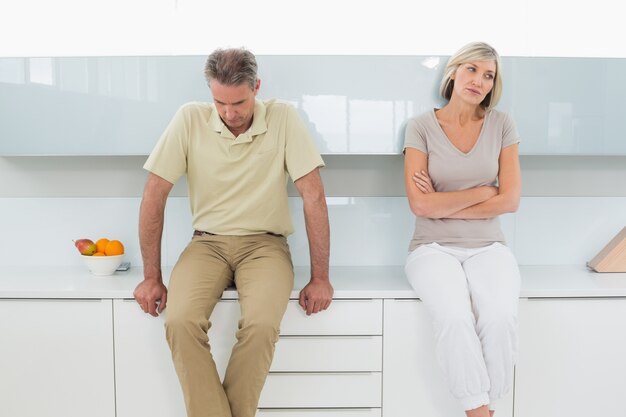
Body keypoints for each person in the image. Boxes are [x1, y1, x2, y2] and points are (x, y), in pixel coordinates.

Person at [133, 48, 333, 417]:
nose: (229, 113)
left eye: (239, 102)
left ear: (256, 87)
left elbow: (314, 196)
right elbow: (153, 194)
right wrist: (151, 276)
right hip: (206, 243)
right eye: (219, 102)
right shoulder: (189, 119)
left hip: (265, 246)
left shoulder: (284, 118)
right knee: (179, 322)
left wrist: (320, 277)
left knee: (260, 326)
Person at [403, 42, 521, 417]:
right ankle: (479, 411)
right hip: (431, 247)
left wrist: (447, 204)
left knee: (500, 318)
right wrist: (484, 191)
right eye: (471, 70)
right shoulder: (421, 127)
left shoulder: (502, 124)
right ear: (453, 72)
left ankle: (490, 402)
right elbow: (420, 205)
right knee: (455, 317)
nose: (479, 81)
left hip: (489, 246)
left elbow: (510, 201)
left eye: (489, 75)